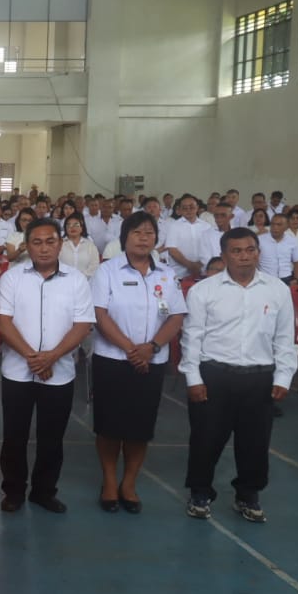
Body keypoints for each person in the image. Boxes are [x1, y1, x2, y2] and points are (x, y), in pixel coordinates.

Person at [180, 227, 297, 523]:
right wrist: (193, 378)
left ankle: (248, 494)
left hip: (259, 378)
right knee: (206, 439)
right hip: (214, 374)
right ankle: (200, 493)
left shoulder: (277, 290)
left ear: (258, 252)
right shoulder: (204, 291)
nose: (244, 257)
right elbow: (191, 338)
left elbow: (286, 339)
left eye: (250, 250)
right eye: (237, 251)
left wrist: (283, 377)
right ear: (224, 255)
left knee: (255, 443)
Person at [0, 218, 95, 514]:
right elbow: (3, 321)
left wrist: (51, 357)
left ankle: (44, 491)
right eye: (36, 242)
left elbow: (82, 324)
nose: (44, 248)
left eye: (50, 241)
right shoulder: (13, 278)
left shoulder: (76, 280)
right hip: (17, 371)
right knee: (15, 435)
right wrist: (33, 357)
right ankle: (13, 491)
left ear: (59, 244)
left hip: (59, 372)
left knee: (52, 437)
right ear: (27, 245)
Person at [90, 212, 186, 513]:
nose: (144, 238)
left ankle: (129, 482)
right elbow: (100, 314)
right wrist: (133, 350)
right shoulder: (107, 272)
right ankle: (109, 480)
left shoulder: (167, 274)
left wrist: (152, 347)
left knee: (140, 427)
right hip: (113, 359)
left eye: (149, 233)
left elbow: (176, 315)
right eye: (137, 232)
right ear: (125, 237)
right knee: (109, 425)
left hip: (152, 360)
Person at [258, 212, 298, 284]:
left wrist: (296, 279)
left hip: (286, 279)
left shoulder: (292, 241)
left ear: (287, 226)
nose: (275, 227)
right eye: (272, 224)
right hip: (265, 278)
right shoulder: (259, 240)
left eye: (279, 225)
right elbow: (253, 261)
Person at [59, 213, 100, 278]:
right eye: (69, 225)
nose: (72, 227)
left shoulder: (90, 245)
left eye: (76, 225)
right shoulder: (59, 244)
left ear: (81, 228)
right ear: (65, 229)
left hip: (86, 282)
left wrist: (79, 277)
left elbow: (94, 266)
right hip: (63, 281)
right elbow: (56, 264)